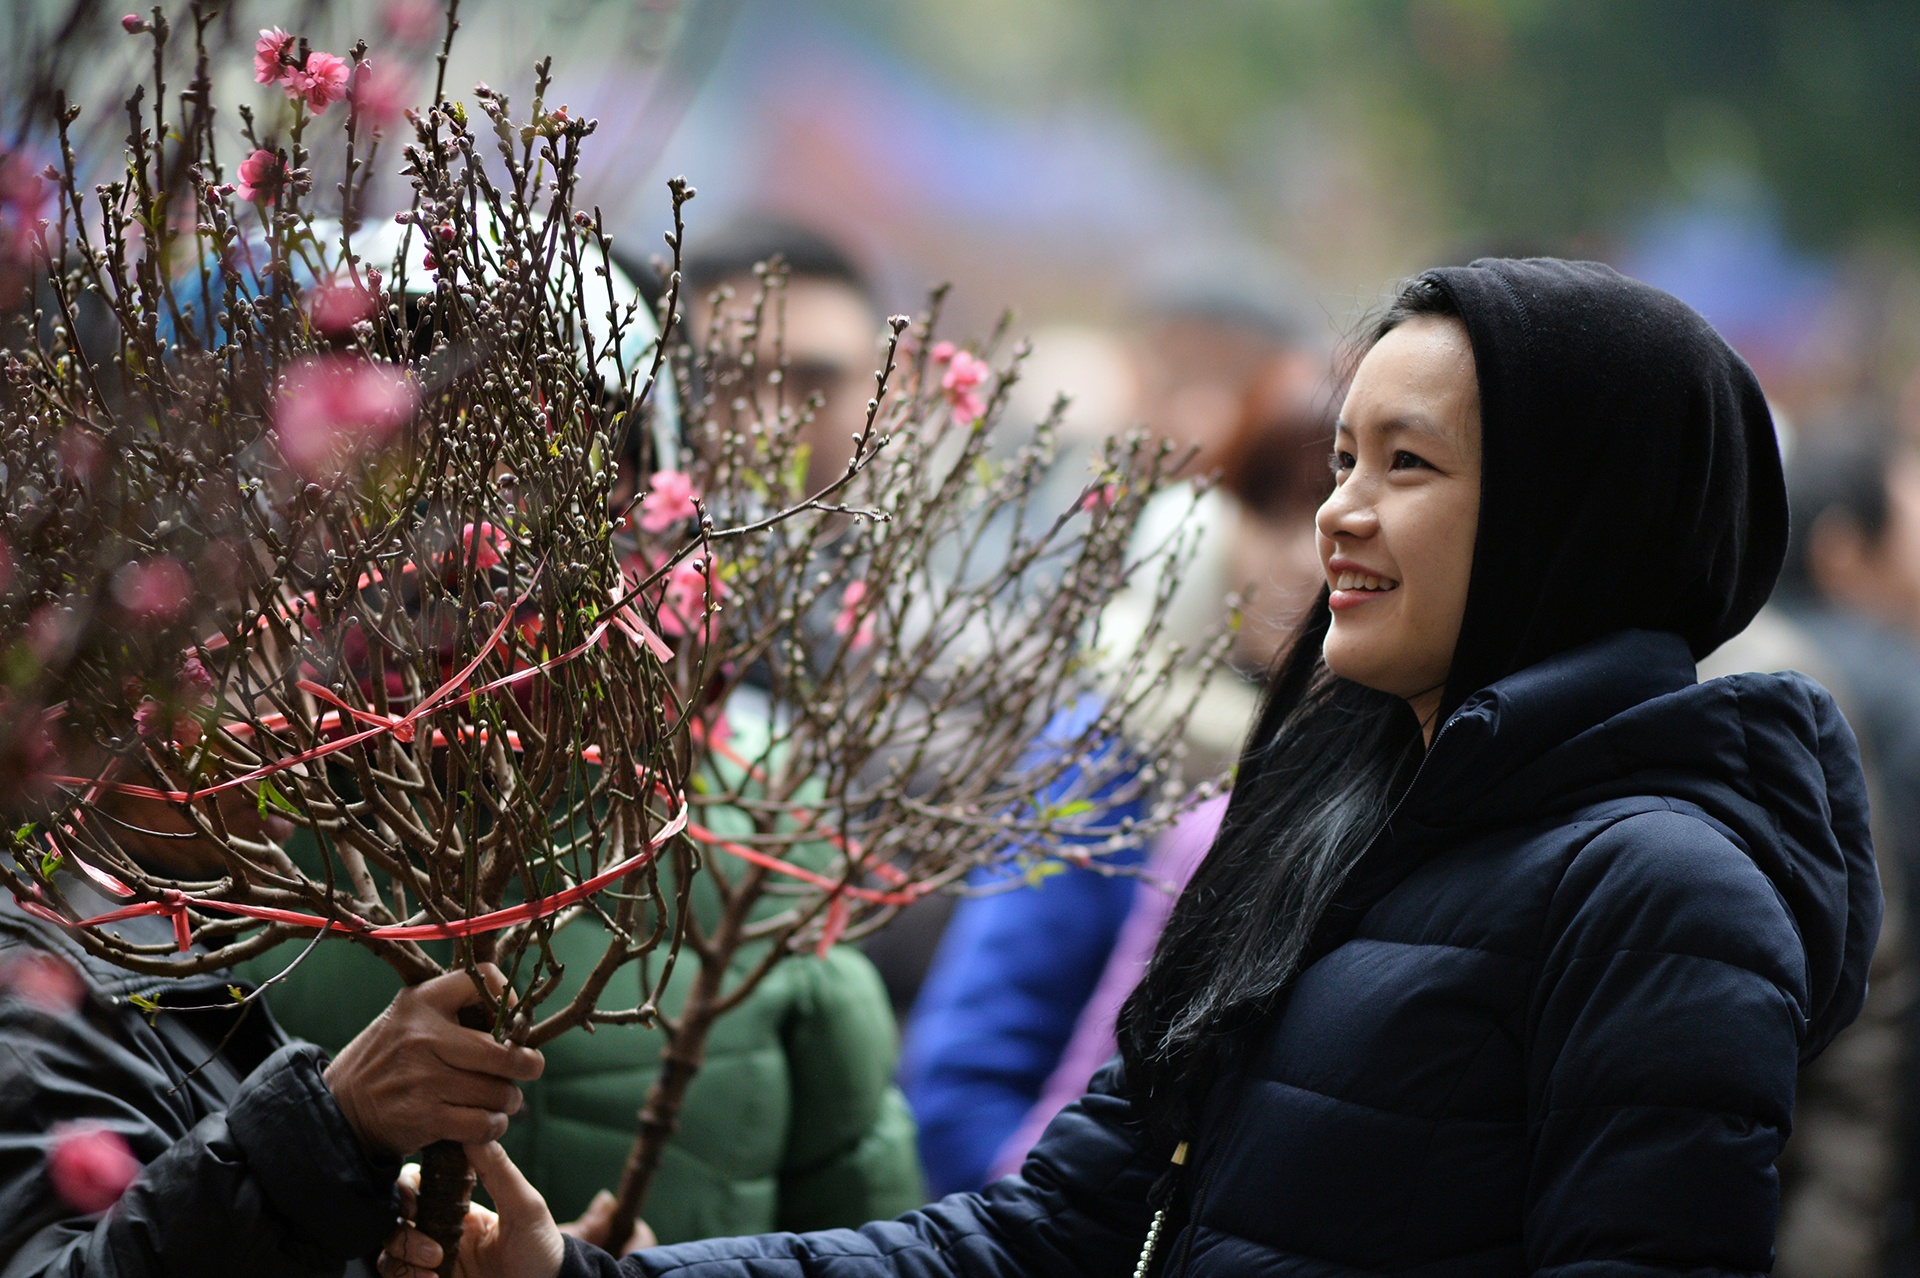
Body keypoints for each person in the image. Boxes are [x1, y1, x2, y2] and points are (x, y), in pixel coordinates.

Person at [399, 257, 1878, 1278]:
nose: (1340, 521)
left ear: (1581, 513)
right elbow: (1044, 1235)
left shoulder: (1665, 889)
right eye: (1339, 465)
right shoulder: (1325, 812)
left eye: (1406, 467)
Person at [0, 796, 546, 1277]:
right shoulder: (32, 983)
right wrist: (332, 1127)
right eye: (272, 703)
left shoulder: (177, 959)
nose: (308, 747)